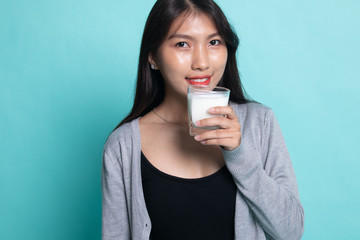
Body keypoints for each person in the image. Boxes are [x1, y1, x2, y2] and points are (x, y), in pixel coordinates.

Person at [101, 0, 304, 239]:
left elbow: (291, 232)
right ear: (153, 57)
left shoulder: (260, 123)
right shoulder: (122, 146)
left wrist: (240, 155)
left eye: (214, 42)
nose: (202, 63)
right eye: (182, 44)